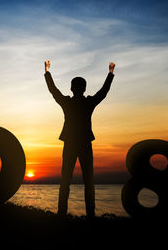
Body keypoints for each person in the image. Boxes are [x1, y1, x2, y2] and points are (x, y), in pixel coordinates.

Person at [44, 60, 115, 217]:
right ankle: (90, 214)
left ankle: (62, 213)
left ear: (72, 88)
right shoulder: (88, 102)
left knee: (66, 180)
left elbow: (53, 90)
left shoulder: (67, 102)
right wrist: (110, 74)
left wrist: (47, 72)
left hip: (71, 143)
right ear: (84, 89)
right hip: (83, 143)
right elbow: (103, 91)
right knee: (88, 181)